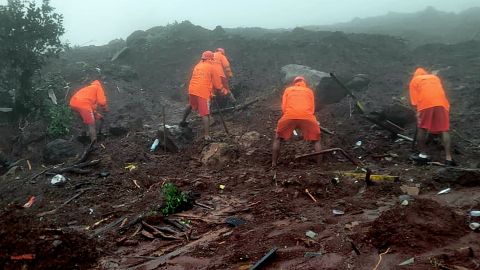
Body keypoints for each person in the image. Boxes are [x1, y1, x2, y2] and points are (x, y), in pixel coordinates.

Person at [409, 67, 456, 166]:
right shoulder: (435, 78)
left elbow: (414, 102)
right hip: (442, 104)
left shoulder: (414, 80)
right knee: (444, 129)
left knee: (422, 128)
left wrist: (417, 114)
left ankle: (423, 155)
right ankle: (449, 159)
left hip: (425, 103)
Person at [272, 76, 321, 167]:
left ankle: (274, 163)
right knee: (317, 140)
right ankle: (319, 165)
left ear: (294, 82)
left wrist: (290, 115)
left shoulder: (288, 90)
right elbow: (312, 108)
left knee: (277, 138)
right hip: (307, 117)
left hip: (289, 115)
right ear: (304, 82)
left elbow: (283, 107)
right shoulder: (309, 91)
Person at [180, 51, 226, 140]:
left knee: (191, 104)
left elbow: (203, 79)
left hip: (192, 89)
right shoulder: (212, 67)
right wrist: (223, 91)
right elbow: (217, 84)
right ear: (211, 58)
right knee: (205, 113)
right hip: (202, 92)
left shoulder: (198, 66)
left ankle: (183, 121)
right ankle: (207, 135)